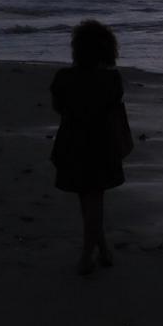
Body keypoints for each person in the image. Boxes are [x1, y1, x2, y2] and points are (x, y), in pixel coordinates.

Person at [49, 19, 133, 275]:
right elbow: (114, 104)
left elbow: (59, 107)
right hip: (102, 144)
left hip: (72, 142)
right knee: (94, 197)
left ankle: (102, 251)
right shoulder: (111, 80)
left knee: (86, 197)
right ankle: (89, 255)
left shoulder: (63, 78)